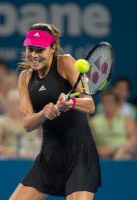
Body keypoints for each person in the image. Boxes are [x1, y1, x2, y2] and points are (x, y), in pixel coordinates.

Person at [10, 23, 101, 200]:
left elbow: (90, 105)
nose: (34, 55)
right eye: (30, 49)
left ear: (52, 48)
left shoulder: (66, 62)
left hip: (80, 155)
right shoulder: (24, 77)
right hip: (49, 157)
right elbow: (27, 124)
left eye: (40, 50)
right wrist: (44, 113)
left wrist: (71, 102)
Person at [0, 90, 41, 158]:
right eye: (12, 103)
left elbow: (41, 140)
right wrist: (5, 152)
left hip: (31, 155)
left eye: (18, 103)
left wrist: (36, 152)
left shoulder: (34, 120)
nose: (15, 106)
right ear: (7, 104)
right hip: (8, 156)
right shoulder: (0, 121)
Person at [90, 90, 136, 159]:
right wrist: (99, 150)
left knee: (123, 154)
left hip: (122, 153)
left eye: (110, 102)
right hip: (101, 154)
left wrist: (116, 150)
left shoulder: (127, 120)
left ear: (117, 104)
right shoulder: (93, 121)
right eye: (104, 102)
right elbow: (90, 143)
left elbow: (134, 140)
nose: (107, 105)